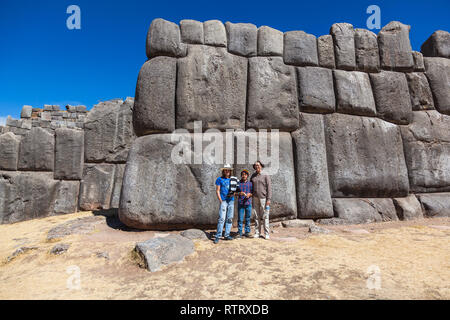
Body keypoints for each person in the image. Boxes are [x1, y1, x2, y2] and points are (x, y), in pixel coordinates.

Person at [214, 164, 237, 244]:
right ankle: (218, 235)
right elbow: (217, 190)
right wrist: (220, 200)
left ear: (230, 171)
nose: (227, 171)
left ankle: (227, 235)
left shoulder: (232, 179)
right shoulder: (219, 179)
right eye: (225, 170)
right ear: (223, 171)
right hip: (223, 201)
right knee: (222, 218)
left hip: (231, 200)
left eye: (228, 170)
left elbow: (235, 189)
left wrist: (233, 193)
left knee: (229, 218)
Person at [250, 160, 272, 240]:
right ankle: (257, 232)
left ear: (261, 166)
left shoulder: (266, 175)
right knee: (256, 216)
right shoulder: (253, 176)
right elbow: (250, 186)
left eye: (258, 165)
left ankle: (266, 233)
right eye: (255, 165)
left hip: (263, 198)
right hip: (255, 198)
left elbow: (269, 188)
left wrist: (268, 199)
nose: (257, 166)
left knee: (265, 216)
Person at [236, 169, 253, 239]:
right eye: (242, 174)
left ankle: (247, 232)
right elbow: (234, 193)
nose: (244, 176)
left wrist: (250, 194)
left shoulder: (250, 184)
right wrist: (240, 193)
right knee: (240, 219)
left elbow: (253, 192)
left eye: (245, 175)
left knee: (248, 218)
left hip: (248, 203)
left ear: (247, 176)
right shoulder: (238, 183)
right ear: (241, 175)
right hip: (241, 203)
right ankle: (239, 232)